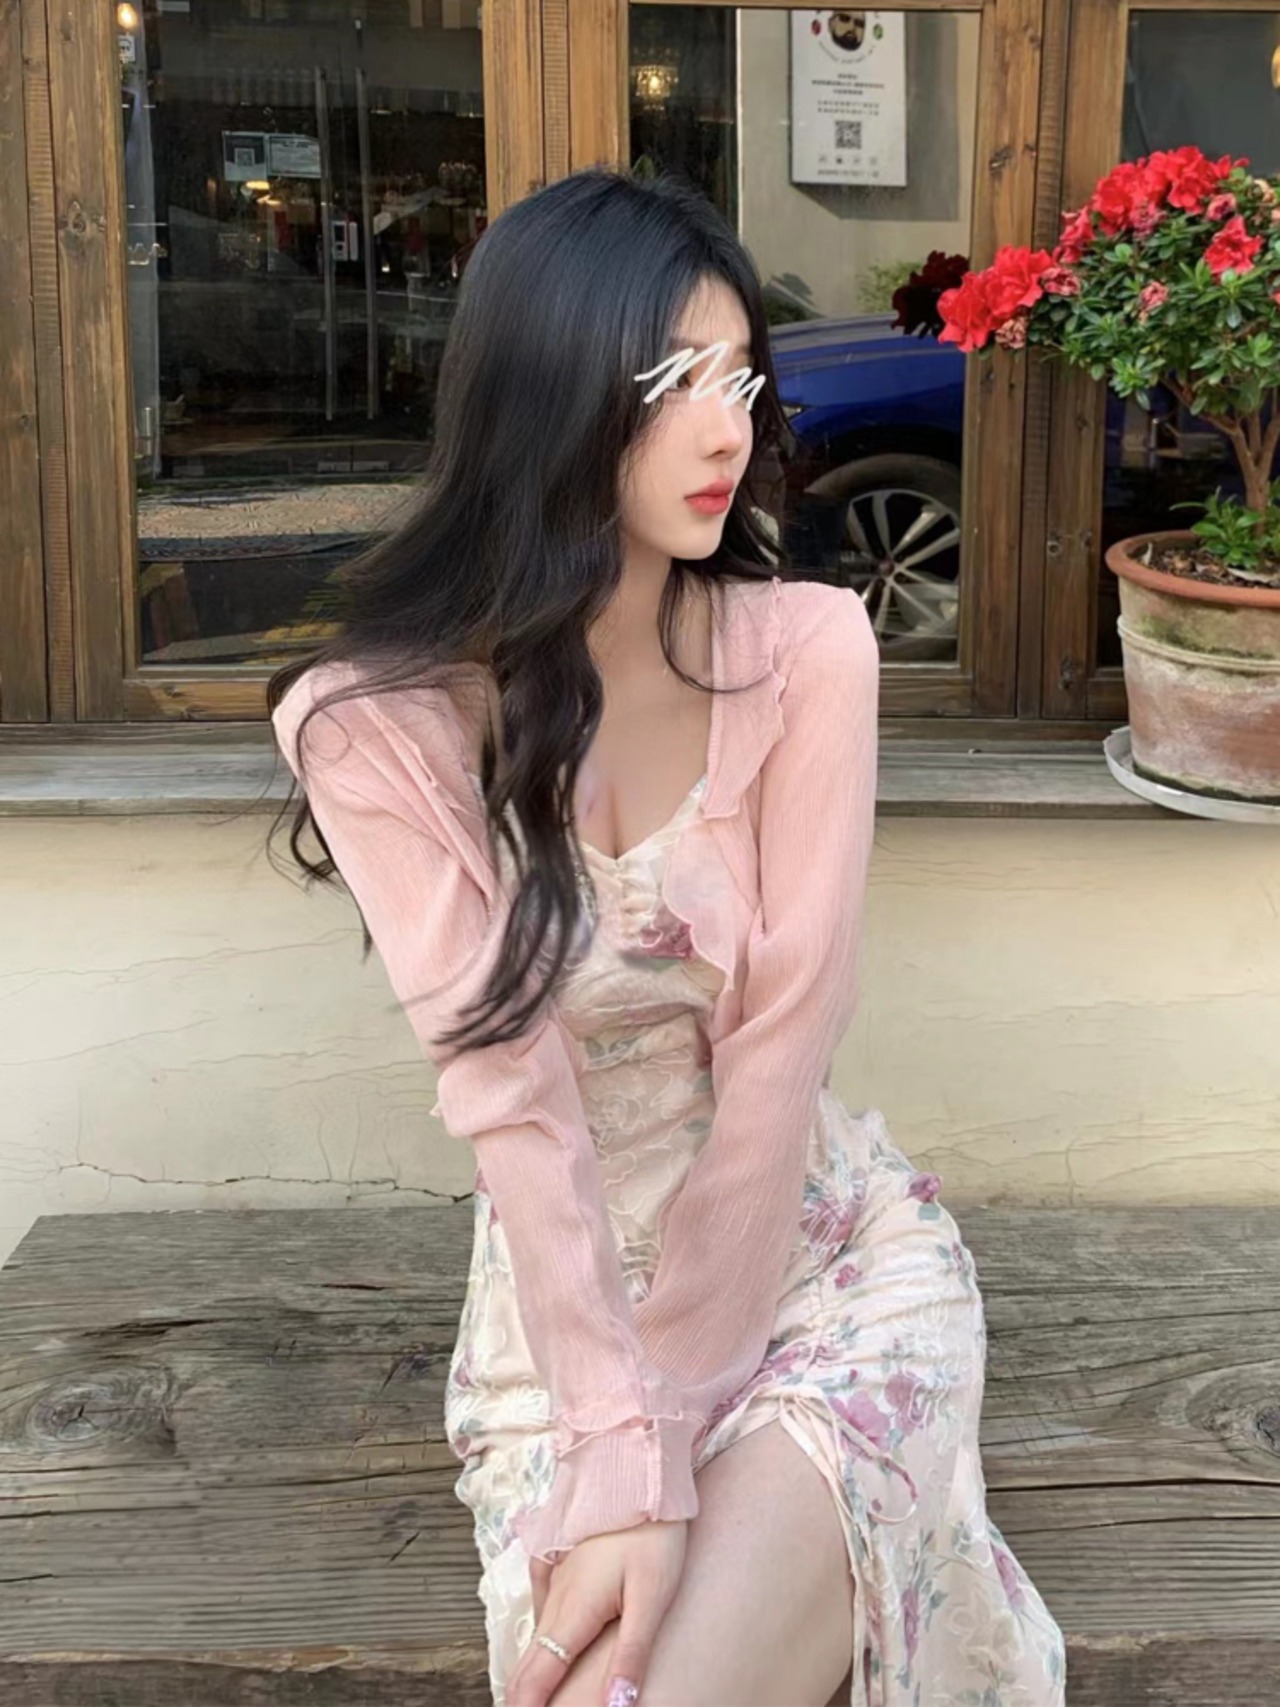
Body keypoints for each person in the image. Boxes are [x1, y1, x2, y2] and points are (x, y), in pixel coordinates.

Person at [267, 167, 1066, 1707]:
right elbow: (513, 1103)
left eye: (740, 381)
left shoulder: (810, 650)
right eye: (673, 384)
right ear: (547, 395)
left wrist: (674, 1433)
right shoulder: (375, 728)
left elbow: (780, 1057)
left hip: (821, 1264)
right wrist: (623, 1445)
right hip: (569, 1329)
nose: (729, 432)